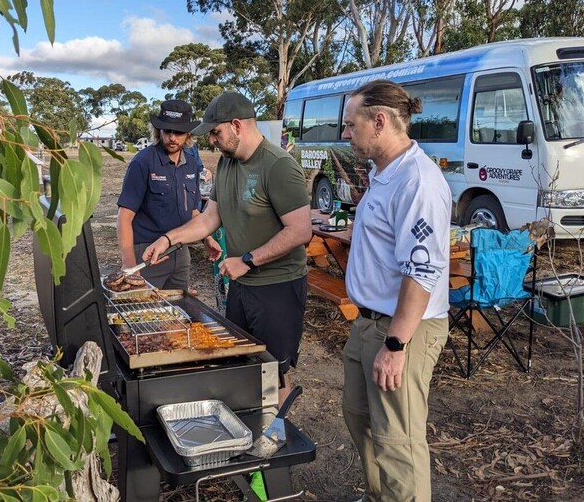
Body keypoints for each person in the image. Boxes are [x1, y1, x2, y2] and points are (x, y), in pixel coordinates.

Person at [141, 92, 311, 405]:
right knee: (240, 362)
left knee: (274, 372)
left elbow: (300, 231)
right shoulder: (227, 163)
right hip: (242, 285)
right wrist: (168, 239)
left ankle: (278, 430)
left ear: (236, 125)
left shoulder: (278, 166)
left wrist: (248, 260)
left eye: (216, 133)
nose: (212, 141)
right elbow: (209, 219)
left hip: (278, 287)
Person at [340, 80, 451, 501]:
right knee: (359, 416)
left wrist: (396, 344)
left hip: (403, 328)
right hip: (368, 321)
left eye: (351, 125)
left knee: (397, 440)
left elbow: (422, 272)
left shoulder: (417, 182)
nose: (346, 133)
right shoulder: (383, 171)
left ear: (379, 121)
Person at [116, 100, 220, 290]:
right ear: (158, 131)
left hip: (180, 251)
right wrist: (129, 264)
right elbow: (124, 216)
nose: (172, 137)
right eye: (167, 131)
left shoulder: (191, 165)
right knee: (145, 306)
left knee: (179, 305)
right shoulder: (143, 162)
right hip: (147, 253)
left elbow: (193, 212)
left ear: (188, 134)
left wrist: (207, 238)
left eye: (178, 132)